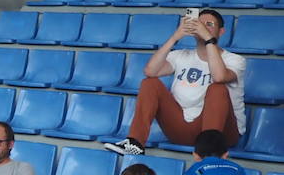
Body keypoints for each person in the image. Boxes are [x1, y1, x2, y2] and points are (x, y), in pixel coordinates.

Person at [104, 9, 246, 156]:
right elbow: (150, 71)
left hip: (223, 134)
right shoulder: (181, 55)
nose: (203, 28)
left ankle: (209, 153)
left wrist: (209, 39)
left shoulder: (235, 60)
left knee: (217, 89)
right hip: (182, 128)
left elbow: (219, 77)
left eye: (209, 24)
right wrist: (175, 37)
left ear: (221, 31)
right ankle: (135, 143)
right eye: (200, 24)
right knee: (149, 83)